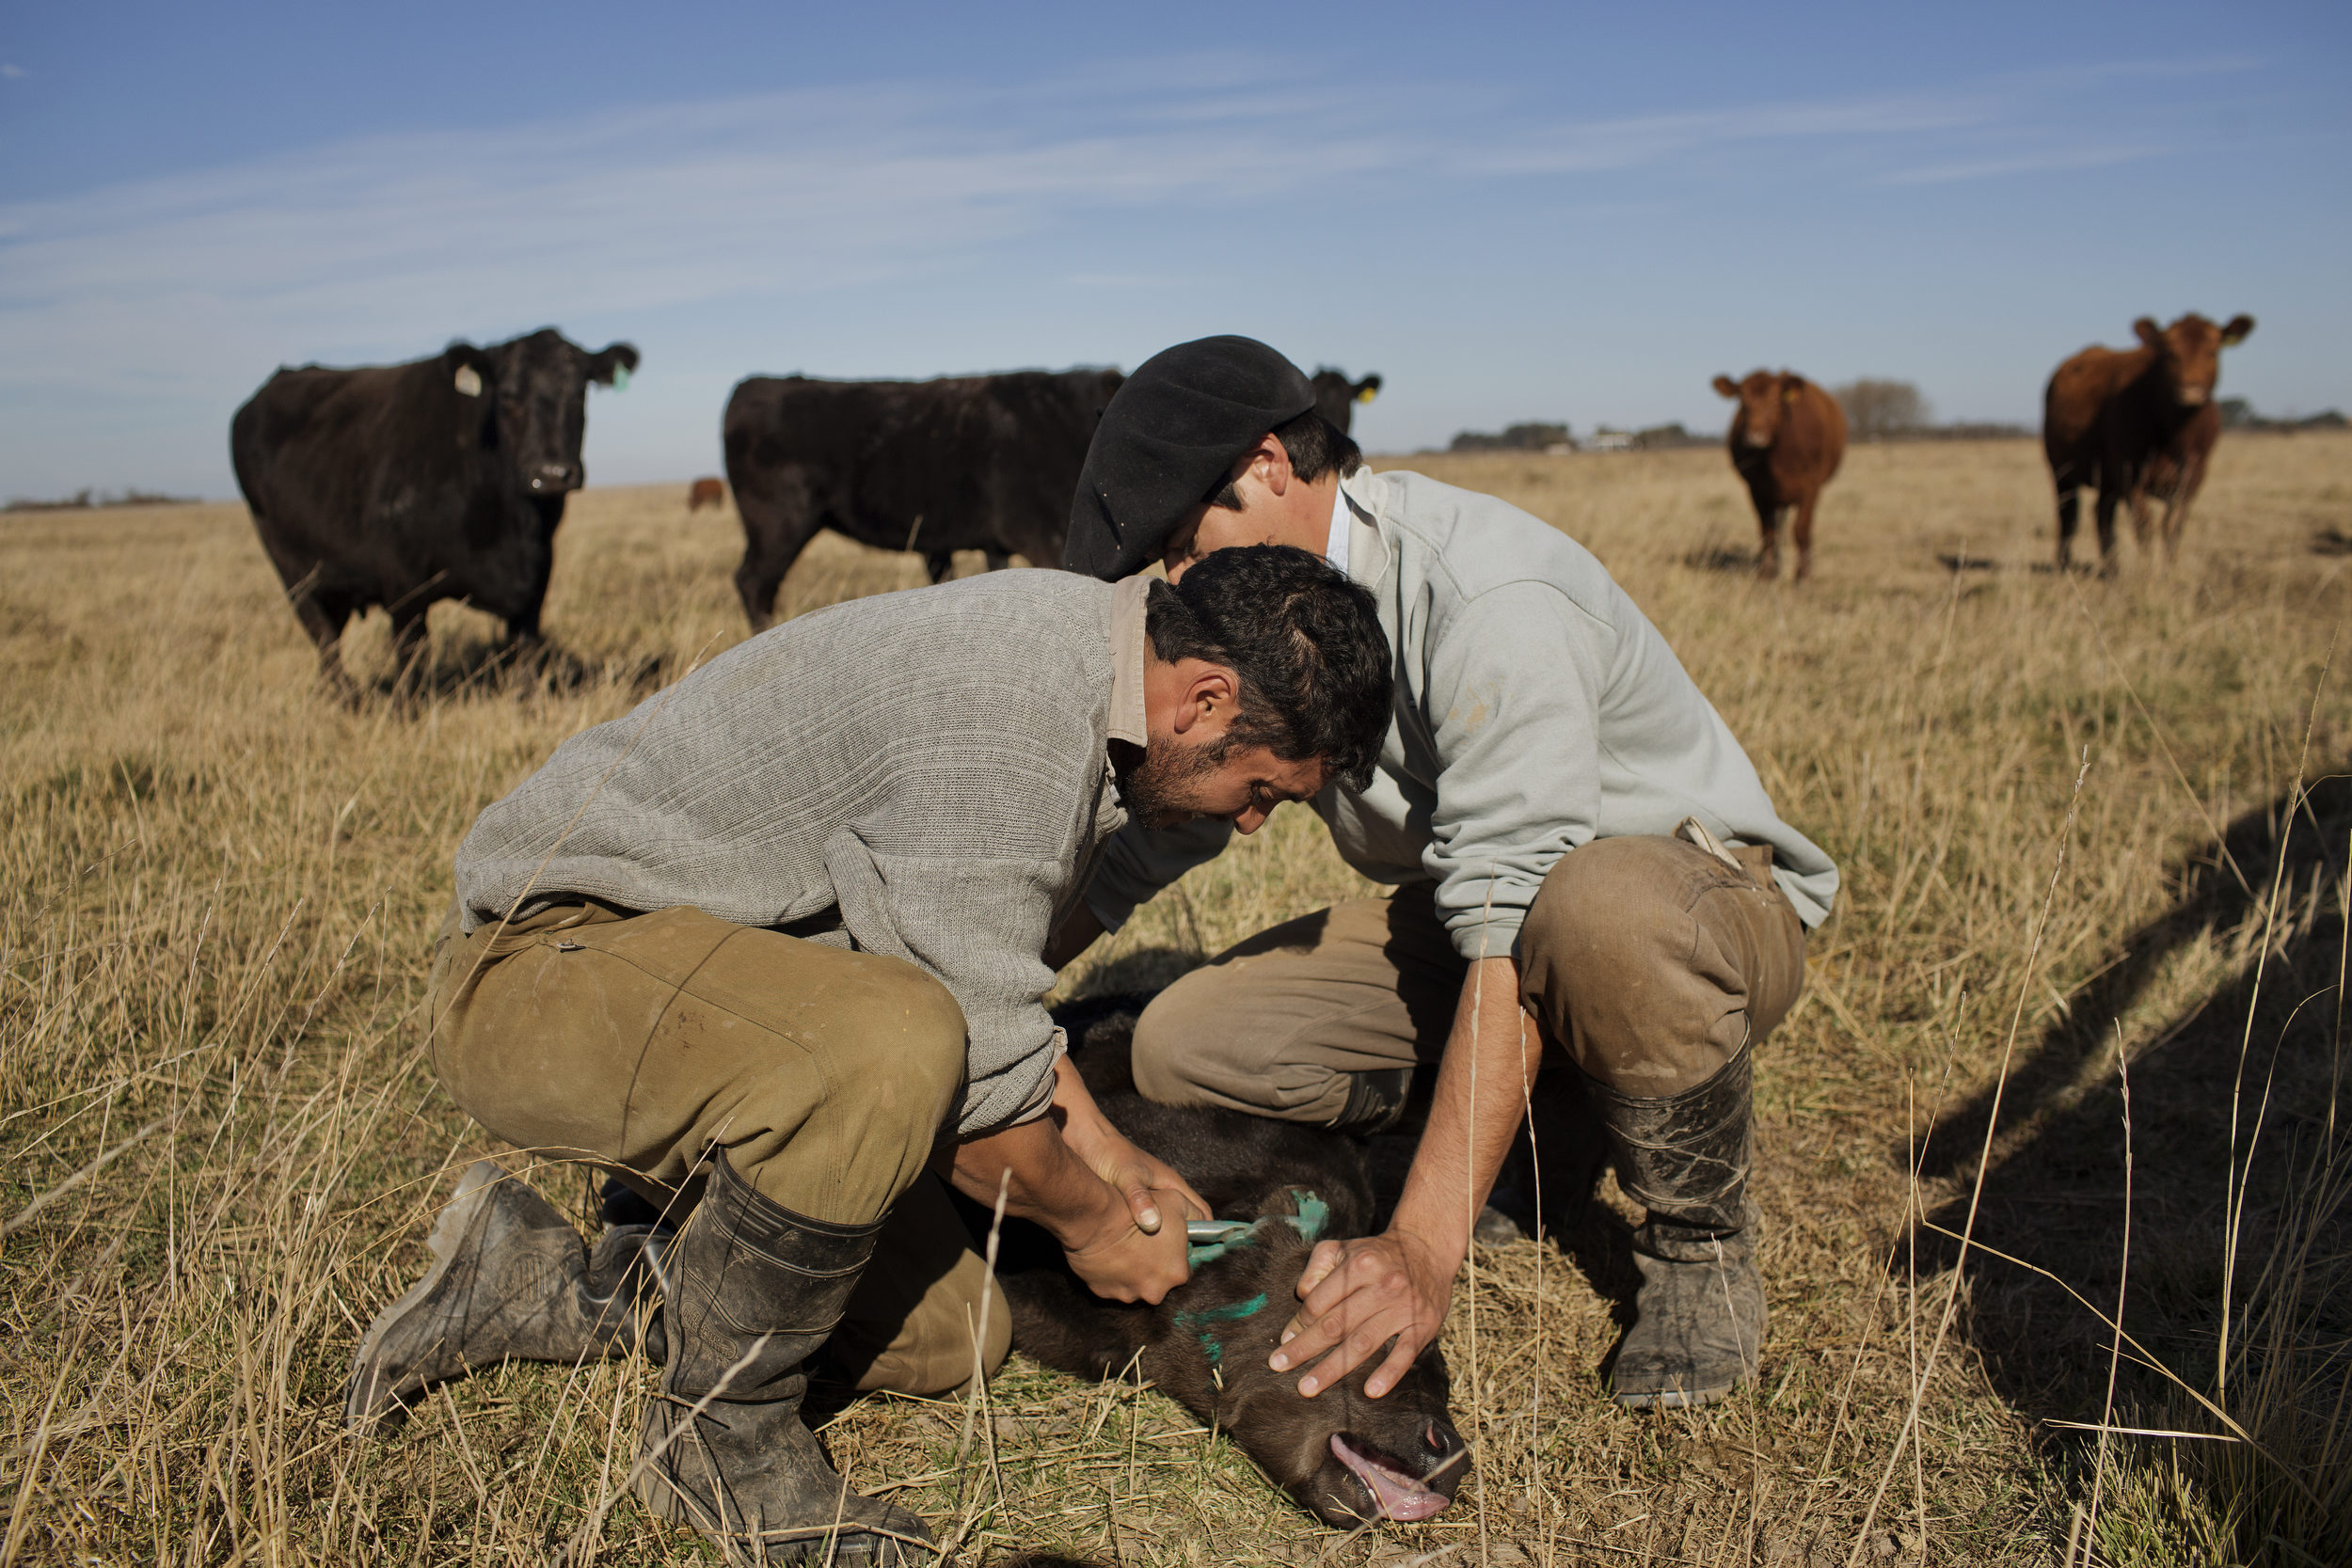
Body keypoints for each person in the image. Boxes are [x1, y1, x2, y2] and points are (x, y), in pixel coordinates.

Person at [343, 546, 1392, 1565]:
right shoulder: (1013, 720)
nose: (1253, 824)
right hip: (536, 970)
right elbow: (973, 1080)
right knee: (899, 1039)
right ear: (1204, 702)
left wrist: (1116, 1157)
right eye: (1263, 790)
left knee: (955, 1334)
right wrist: (1096, 1219)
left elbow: (990, 994)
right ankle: (714, 1440)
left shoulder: (1087, 665)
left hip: (699, 981)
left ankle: (547, 1274)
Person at [1055, 336, 1839, 1414]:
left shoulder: (1482, 590)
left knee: (1591, 913)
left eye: (1187, 545)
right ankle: (1542, 1130)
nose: (1183, 583)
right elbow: (1166, 828)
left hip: (1682, 908)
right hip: (1480, 915)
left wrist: (1421, 1247)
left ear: (1271, 465)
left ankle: (1698, 1248)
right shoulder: (1283, 611)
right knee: (1180, 1041)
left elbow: (1519, 904)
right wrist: (995, 966)